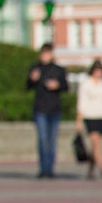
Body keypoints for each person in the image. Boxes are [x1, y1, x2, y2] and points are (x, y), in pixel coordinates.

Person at [27, 43, 69, 179]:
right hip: (40, 109)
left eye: (47, 53)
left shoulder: (58, 70)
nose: (44, 56)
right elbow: (28, 86)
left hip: (54, 109)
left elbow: (66, 86)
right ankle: (43, 168)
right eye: (43, 54)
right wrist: (32, 79)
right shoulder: (35, 68)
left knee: (52, 141)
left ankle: (50, 168)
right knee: (43, 139)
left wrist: (57, 85)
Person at [75, 60, 102, 180]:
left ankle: (90, 170)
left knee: (96, 145)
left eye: (100, 70)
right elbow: (81, 103)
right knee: (95, 143)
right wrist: (79, 120)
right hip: (90, 116)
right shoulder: (86, 84)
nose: (98, 73)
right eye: (96, 70)